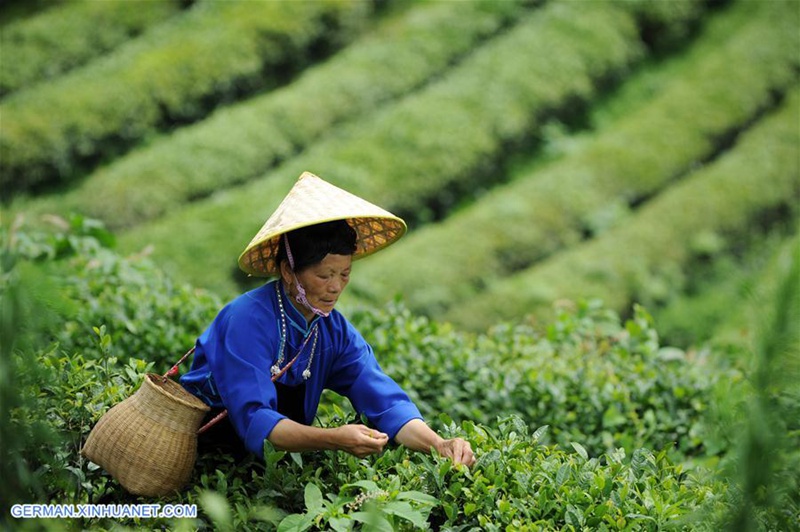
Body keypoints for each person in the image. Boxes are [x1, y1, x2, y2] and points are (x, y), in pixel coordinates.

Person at [180, 171, 475, 466]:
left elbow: (384, 401)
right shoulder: (246, 320)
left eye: (344, 274)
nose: (336, 287)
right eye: (324, 275)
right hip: (204, 458)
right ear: (288, 271)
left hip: (265, 467)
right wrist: (333, 438)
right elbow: (256, 419)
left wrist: (438, 444)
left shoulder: (333, 331)